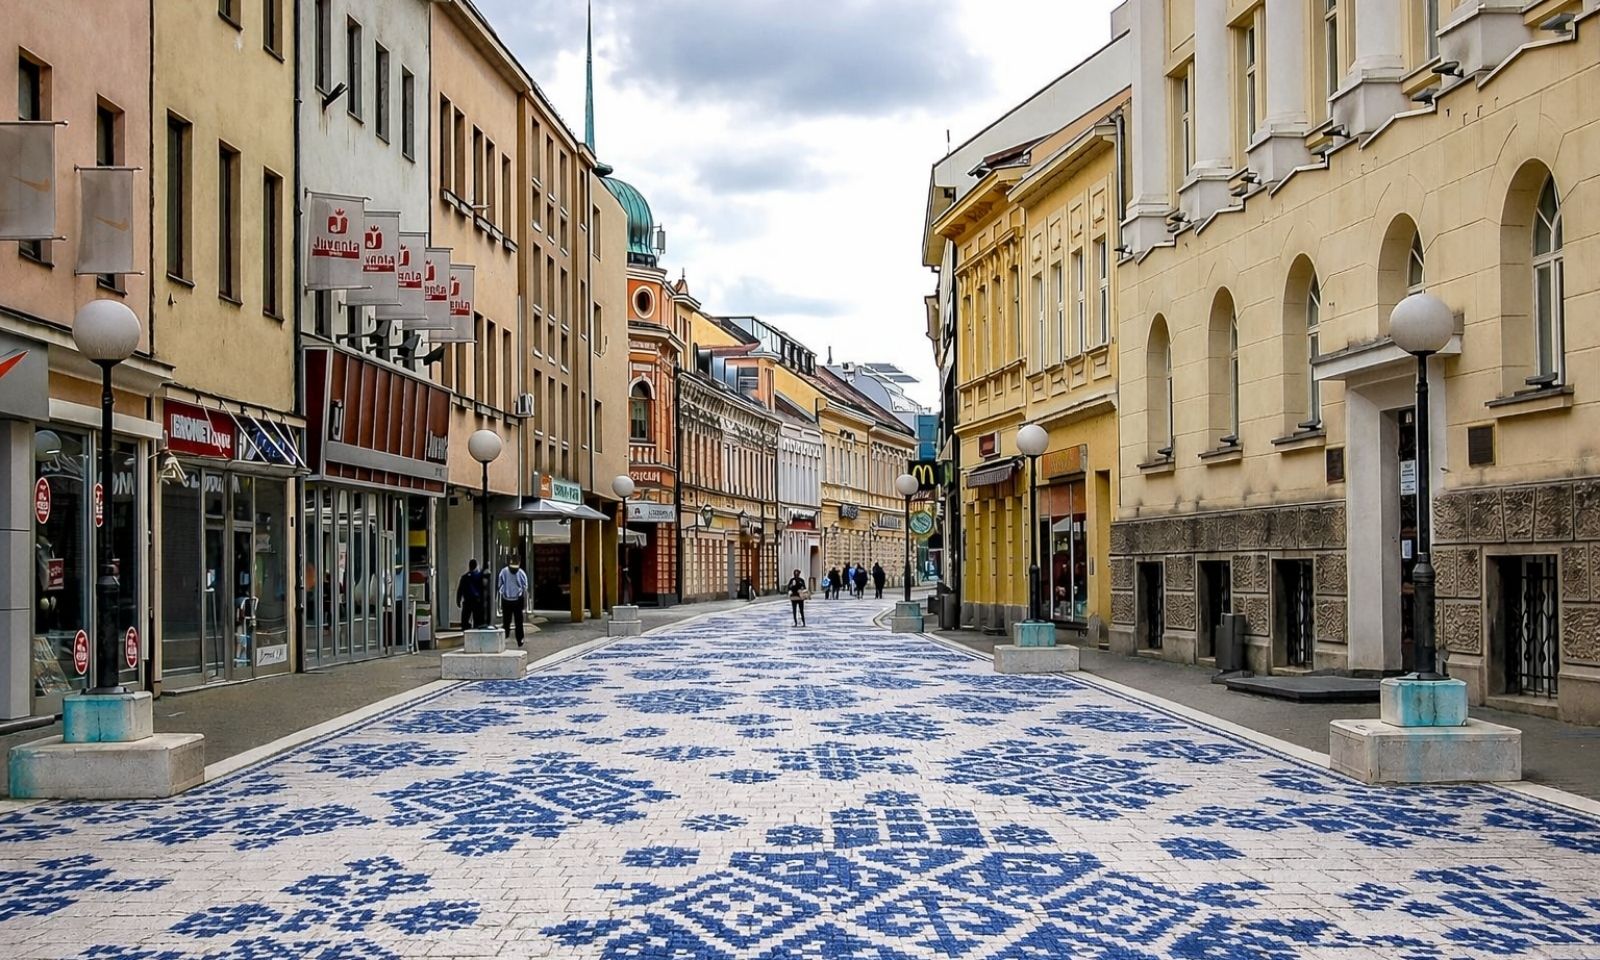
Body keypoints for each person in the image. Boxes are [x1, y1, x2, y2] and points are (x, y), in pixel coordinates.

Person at [497, 556, 530, 647]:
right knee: (518, 621)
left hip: (506, 599)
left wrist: (503, 592)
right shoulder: (521, 573)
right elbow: (525, 587)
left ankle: (505, 637)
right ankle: (520, 639)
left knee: (506, 621)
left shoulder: (504, 571)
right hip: (517, 600)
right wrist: (525, 603)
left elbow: (500, 584)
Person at [456, 559, 487, 629]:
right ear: (476, 566)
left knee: (465, 618)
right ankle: (476, 629)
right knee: (477, 619)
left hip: (467, 600)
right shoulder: (480, 576)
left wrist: (458, 599)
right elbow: (484, 589)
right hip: (477, 601)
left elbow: (460, 589)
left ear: (469, 566)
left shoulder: (465, 577)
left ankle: (466, 629)